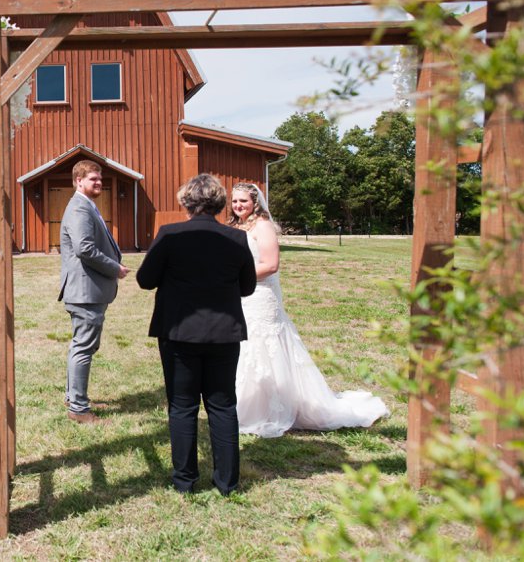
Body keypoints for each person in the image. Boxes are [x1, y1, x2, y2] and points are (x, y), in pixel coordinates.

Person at [229, 182, 389, 438]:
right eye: (235, 201)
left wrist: (236, 277)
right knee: (244, 344)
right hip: (241, 297)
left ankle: (270, 408)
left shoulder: (263, 226)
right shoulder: (236, 226)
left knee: (263, 344)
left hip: (261, 296)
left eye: (243, 201)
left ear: (255, 202)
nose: (238, 206)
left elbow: (270, 265)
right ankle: (244, 401)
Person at [136, 174, 256, 495]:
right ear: (218, 203)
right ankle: (227, 483)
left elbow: (145, 280)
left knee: (182, 405)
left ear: (186, 202)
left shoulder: (170, 235)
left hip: (179, 332)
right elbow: (248, 286)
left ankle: (185, 481)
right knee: (222, 404)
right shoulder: (237, 239)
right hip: (224, 333)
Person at [59, 159, 129, 424]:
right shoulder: (79, 208)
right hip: (85, 291)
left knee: (82, 345)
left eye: (100, 179)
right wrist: (115, 269)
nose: (98, 183)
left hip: (88, 291)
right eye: (93, 179)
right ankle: (78, 408)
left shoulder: (86, 205)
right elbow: (85, 249)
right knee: (83, 347)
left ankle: (74, 397)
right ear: (78, 181)